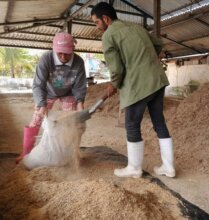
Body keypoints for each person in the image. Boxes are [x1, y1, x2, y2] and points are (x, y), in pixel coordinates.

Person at [91, 2, 175, 178]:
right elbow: (158, 45)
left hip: (139, 84)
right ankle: (168, 167)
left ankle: (134, 168)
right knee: (159, 122)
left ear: (106, 19)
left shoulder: (109, 36)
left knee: (131, 124)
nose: (97, 27)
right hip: (157, 80)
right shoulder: (137, 28)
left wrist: (113, 84)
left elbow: (117, 69)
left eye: (97, 23)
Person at [16, 32, 87, 163]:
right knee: (37, 118)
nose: (63, 56)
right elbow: (38, 84)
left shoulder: (78, 62)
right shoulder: (46, 58)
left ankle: (70, 154)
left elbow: (80, 86)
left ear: (73, 49)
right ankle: (26, 152)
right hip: (47, 92)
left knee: (71, 122)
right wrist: (41, 104)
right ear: (53, 48)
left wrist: (80, 103)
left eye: (67, 53)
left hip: (68, 93)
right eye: (59, 53)